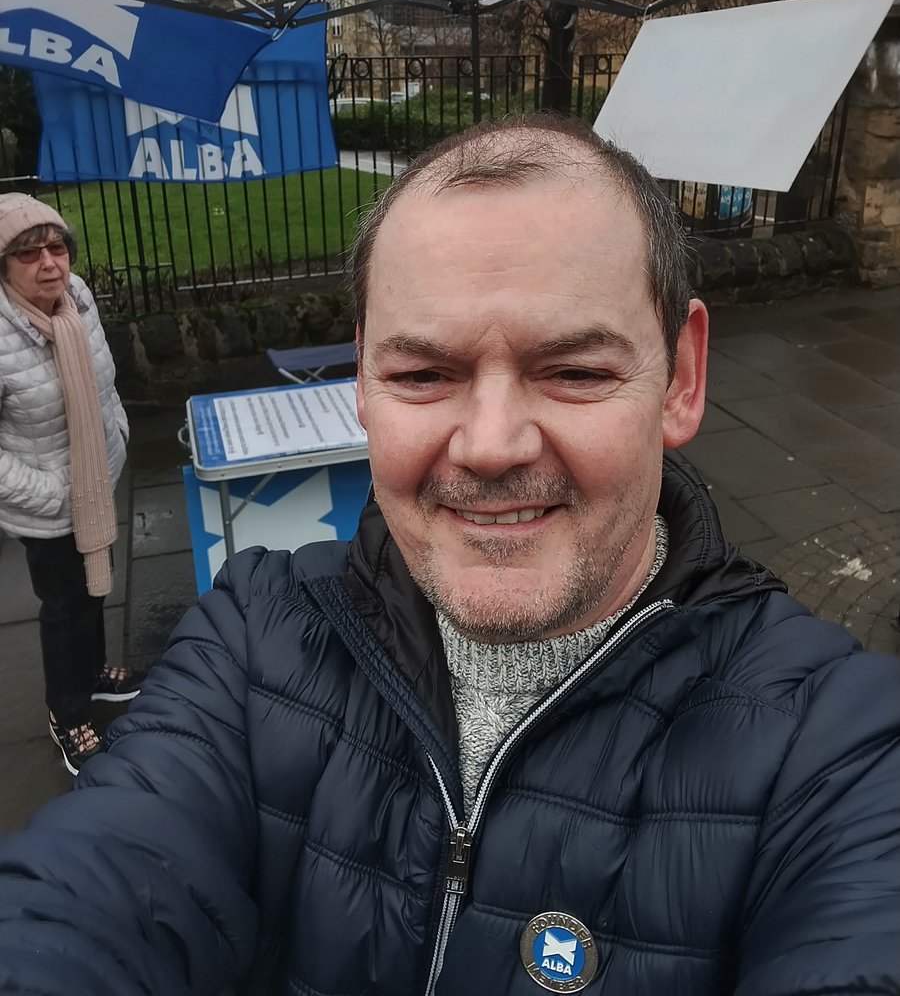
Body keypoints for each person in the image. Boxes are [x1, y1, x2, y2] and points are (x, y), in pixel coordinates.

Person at [0, 117, 897, 996]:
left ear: (682, 378)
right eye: (423, 375)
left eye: (576, 372)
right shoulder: (251, 639)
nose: (491, 446)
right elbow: (89, 893)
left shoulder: (833, 748)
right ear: (362, 380)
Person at [0, 193, 140, 776]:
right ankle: (69, 712)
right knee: (64, 608)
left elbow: (102, 384)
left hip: (96, 482)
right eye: (28, 254)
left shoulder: (77, 298)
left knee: (95, 589)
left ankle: (95, 671)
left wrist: (118, 433)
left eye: (56, 248)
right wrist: (51, 493)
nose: (49, 264)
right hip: (49, 502)